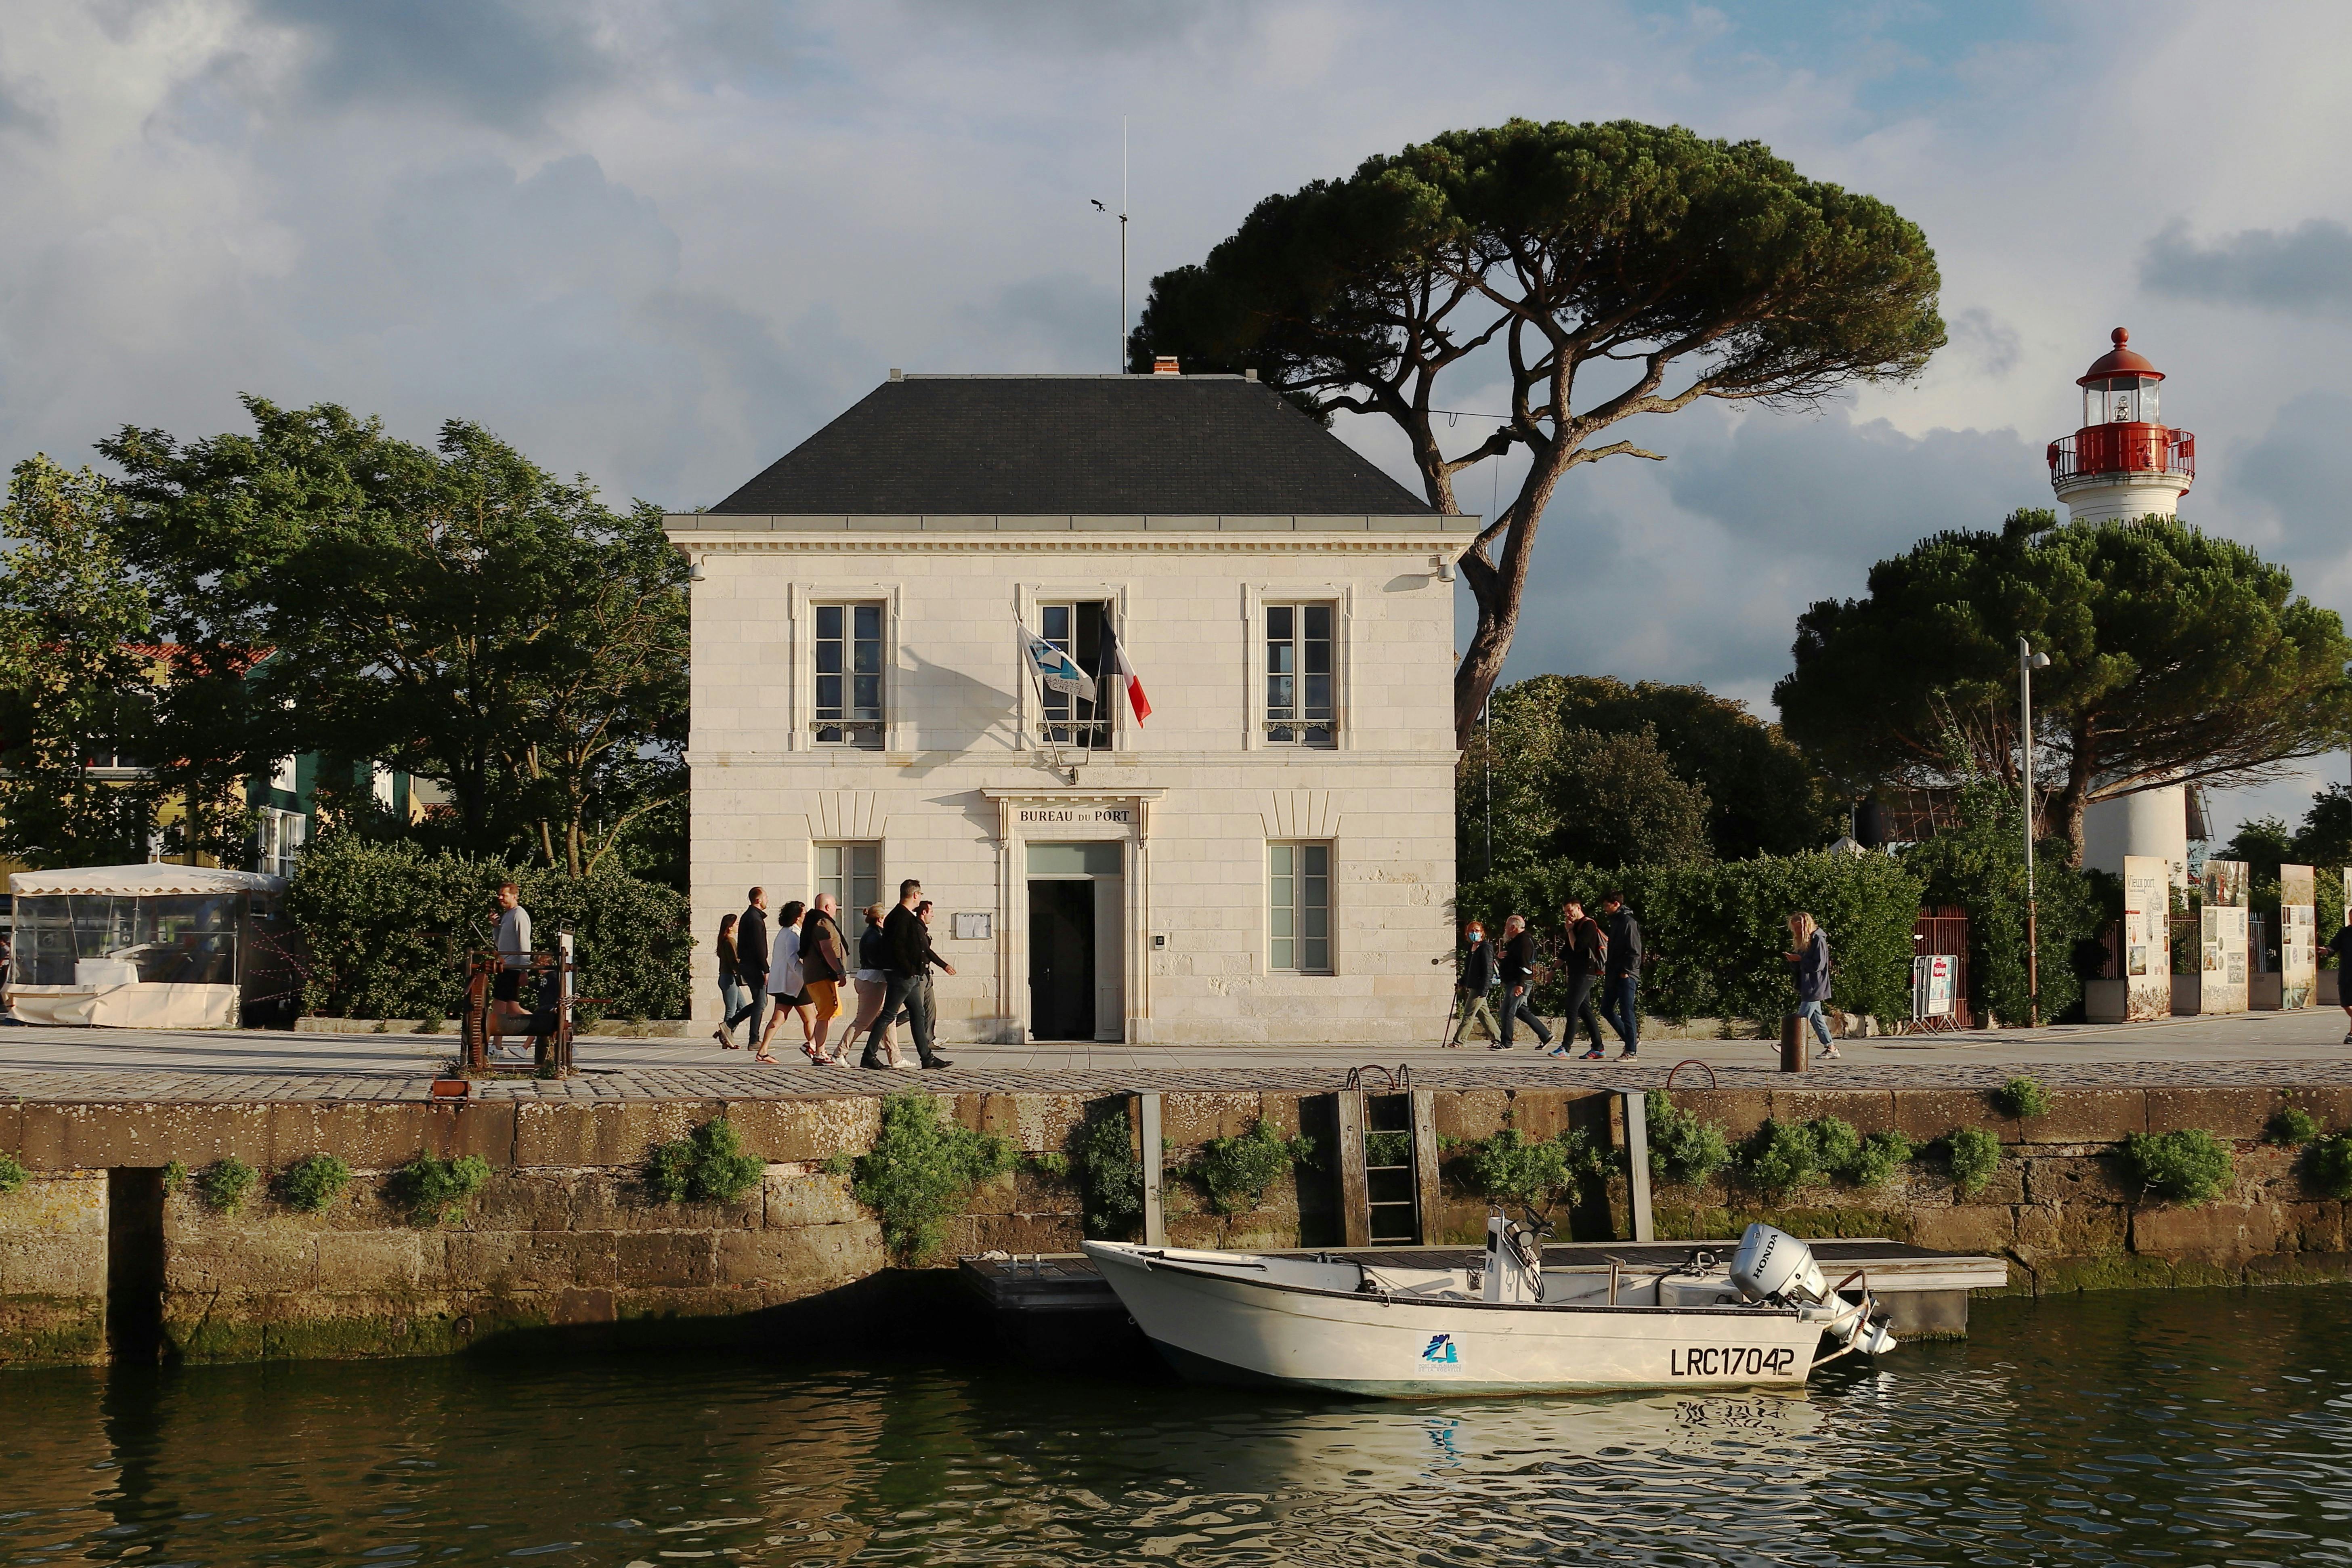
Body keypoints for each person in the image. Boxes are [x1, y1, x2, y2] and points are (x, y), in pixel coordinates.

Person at [863, 879, 951, 1070]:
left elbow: (917, 948)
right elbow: (898, 949)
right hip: (902, 976)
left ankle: (927, 1058)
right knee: (889, 1015)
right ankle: (868, 1055)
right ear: (915, 895)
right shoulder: (900, 917)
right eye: (920, 895)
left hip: (908, 975)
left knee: (918, 1014)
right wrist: (909, 970)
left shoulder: (904, 917)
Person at [755, 899, 813, 1064]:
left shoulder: (785, 932)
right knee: (811, 1018)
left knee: (779, 1017)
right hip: (794, 983)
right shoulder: (793, 935)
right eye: (804, 914)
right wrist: (807, 978)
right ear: (797, 917)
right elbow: (793, 961)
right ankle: (815, 1049)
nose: (806, 916)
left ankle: (763, 1051)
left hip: (785, 984)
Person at [845, 903, 901, 1067]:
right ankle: (840, 1052)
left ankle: (895, 1057)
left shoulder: (875, 933)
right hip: (872, 980)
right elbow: (876, 959)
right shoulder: (874, 936)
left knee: (889, 1019)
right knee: (863, 1021)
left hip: (874, 979)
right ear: (881, 919)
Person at [1557, 898, 1611, 1060]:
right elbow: (1567, 951)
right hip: (1576, 972)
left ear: (1578, 908)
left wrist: (1570, 931)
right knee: (1585, 1010)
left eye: (1570, 910)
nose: (1568, 915)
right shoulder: (1573, 928)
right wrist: (1553, 969)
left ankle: (1565, 1048)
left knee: (1572, 1008)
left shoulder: (1589, 925)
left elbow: (1578, 947)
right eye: (1565, 912)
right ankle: (1598, 1048)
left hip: (1587, 972)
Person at [801, 894, 851, 1063]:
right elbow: (827, 950)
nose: (837, 908)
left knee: (829, 1012)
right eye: (835, 905)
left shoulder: (816, 921)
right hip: (822, 975)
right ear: (828, 907)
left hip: (817, 976)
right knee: (826, 1013)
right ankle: (819, 1052)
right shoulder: (822, 923)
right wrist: (839, 971)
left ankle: (816, 1047)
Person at [1495, 913, 1553, 1052]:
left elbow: (1525, 965)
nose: (1505, 929)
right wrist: (1504, 956)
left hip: (1519, 982)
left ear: (1513, 927)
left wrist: (1520, 984)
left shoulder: (1524, 941)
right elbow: (1516, 959)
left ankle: (1507, 1043)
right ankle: (1546, 1035)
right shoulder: (1516, 941)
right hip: (1515, 981)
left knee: (1507, 1011)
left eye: (1507, 926)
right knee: (1522, 1011)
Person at [1787, 911, 1840, 1060]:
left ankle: (1789, 1043)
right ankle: (1831, 1047)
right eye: (1795, 929)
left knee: (1802, 1017)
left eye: (1799, 928)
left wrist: (1800, 960)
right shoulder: (1808, 940)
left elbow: (1819, 964)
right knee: (1816, 1018)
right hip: (1809, 984)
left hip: (1816, 985)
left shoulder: (1819, 940)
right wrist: (1795, 961)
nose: (1797, 932)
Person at [1598, 890, 1643, 1061]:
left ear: (1616, 904)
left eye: (1606, 905)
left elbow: (1635, 951)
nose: (1604, 909)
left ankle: (1631, 1051)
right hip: (1614, 973)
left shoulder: (1628, 922)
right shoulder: (1616, 921)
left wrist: (1626, 971)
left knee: (1627, 1011)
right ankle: (1631, 1039)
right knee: (1606, 1009)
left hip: (1626, 975)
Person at [489, 881, 531, 1059]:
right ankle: (496, 1046)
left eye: (504, 895)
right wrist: (495, 927)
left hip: (514, 968)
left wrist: (524, 969)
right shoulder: (507, 916)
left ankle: (547, 1027)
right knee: (499, 1007)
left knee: (513, 1009)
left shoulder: (519, 915)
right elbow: (500, 945)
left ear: (514, 896)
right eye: (499, 895)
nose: (500, 898)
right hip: (505, 966)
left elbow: (525, 943)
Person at [1446, 920, 1502, 1046]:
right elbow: (1468, 969)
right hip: (1474, 985)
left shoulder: (1485, 948)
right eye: (1471, 931)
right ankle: (1499, 1039)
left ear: (1482, 932)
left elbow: (1488, 969)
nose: (1474, 933)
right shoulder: (1472, 948)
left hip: (1480, 987)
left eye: (1477, 931)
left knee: (1469, 1013)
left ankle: (1460, 1041)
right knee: (1484, 1014)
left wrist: (1484, 989)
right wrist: (1462, 982)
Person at [915, 899, 957, 1054]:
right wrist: (944, 965)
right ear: (924, 912)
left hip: (927, 975)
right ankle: (885, 1029)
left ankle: (929, 1039)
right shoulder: (918, 928)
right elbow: (927, 951)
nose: (933, 915)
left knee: (930, 1007)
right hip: (919, 975)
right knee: (916, 1009)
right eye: (931, 912)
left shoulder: (923, 929)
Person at [732, 888, 771, 1050]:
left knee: (759, 1002)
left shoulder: (750, 917)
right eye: (766, 897)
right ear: (758, 900)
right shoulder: (755, 919)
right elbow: (759, 947)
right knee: (761, 1003)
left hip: (750, 965)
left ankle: (730, 1025)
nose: (767, 900)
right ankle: (753, 1040)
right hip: (755, 967)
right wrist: (766, 969)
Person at [712, 913, 746, 1048]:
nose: (738, 927)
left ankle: (724, 1033)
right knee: (731, 1009)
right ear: (730, 927)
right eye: (736, 924)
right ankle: (727, 1038)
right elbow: (734, 961)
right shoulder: (728, 941)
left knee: (742, 1007)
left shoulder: (729, 940)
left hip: (729, 978)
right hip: (728, 978)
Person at [2330, 917, 2352, 1043]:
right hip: (2346, 974)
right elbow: (2334, 946)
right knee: (2345, 1004)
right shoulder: (2344, 933)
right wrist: (2327, 950)